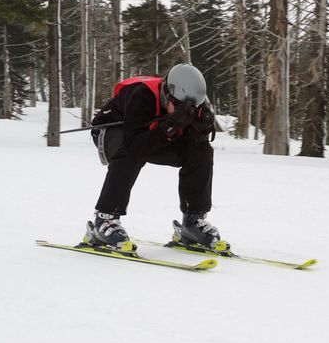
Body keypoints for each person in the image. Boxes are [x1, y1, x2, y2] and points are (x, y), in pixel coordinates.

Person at [87, 63, 225, 251]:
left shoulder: (191, 98)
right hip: (112, 130)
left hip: (151, 134)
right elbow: (134, 146)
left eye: (192, 107)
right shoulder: (141, 95)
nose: (185, 110)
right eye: (179, 106)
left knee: (201, 151)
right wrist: (170, 126)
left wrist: (200, 130)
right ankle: (104, 219)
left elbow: (188, 138)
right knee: (129, 152)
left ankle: (193, 222)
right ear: (167, 94)